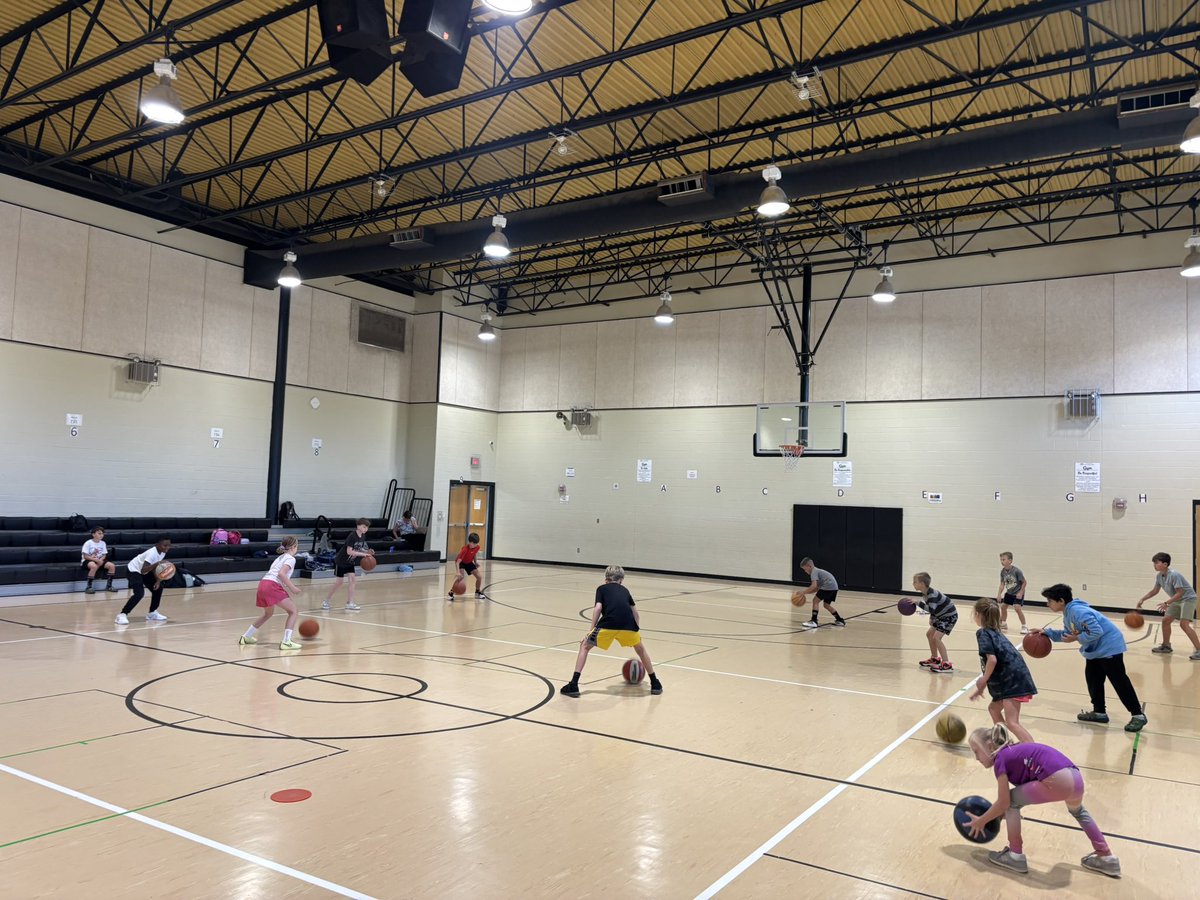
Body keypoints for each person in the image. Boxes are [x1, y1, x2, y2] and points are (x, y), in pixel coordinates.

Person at [963, 723, 1121, 878]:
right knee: (1079, 812)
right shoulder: (1014, 751)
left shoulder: (1001, 759)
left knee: (1011, 801)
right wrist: (1006, 813)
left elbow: (1004, 802)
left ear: (990, 746)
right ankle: (1106, 857)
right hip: (1075, 777)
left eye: (976, 751)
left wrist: (981, 821)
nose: (976, 758)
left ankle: (1015, 855)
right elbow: (1026, 786)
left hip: (1057, 780)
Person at [1035, 584, 1146, 732]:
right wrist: (1047, 632)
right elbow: (1068, 634)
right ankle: (1099, 712)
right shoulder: (1068, 613)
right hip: (1096, 650)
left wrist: (1077, 638)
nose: (1047, 604)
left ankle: (1138, 715)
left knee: (1119, 682)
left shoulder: (1078, 611)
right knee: (1093, 679)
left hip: (1109, 647)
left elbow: (1096, 631)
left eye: (1049, 601)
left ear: (1061, 601)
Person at [560, 565, 662, 697]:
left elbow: (597, 608)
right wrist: (635, 630)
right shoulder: (625, 590)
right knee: (641, 650)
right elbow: (636, 614)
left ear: (606, 579)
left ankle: (573, 685)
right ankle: (655, 682)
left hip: (608, 625)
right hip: (629, 626)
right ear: (621, 580)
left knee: (584, 646)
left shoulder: (601, 589)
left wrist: (590, 631)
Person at [970, 597, 1036, 742]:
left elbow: (992, 660)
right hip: (1014, 679)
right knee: (993, 709)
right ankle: (1002, 743)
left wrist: (983, 680)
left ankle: (1032, 752)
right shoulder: (996, 632)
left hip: (1012, 682)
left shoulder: (983, 633)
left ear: (979, 615)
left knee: (1012, 722)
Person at [240, 536, 303, 650]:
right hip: (272, 585)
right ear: (293, 547)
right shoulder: (290, 558)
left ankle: (246, 636)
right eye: (297, 546)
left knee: (268, 614)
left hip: (263, 583)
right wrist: (293, 588)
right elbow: (281, 574)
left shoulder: (280, 558)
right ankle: (286, 642)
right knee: (293, 611)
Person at [1135, 552, 1200, 659]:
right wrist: (1143, 599)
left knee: (1184, 624)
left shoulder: (1174, 575)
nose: (1154, 565)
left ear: (1165, 564)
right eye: (1154, 563)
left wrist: (1166, 603)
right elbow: (1155, 591)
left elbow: (1180, 593)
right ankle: (1166, 646)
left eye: (1156, 562)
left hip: (1188, 599)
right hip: (1177, 600)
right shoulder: (1159, 576)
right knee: (1166, 620)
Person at [115, 536, 172, 625]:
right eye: (165, 545)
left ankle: (152, 613)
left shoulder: (162, 552)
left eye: (169, 545)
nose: (167, 547)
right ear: (157, 545)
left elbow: (154, 568)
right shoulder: (152, 553)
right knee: (139, 593)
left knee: (158, 588)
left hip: (145, 570)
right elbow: (143, 570)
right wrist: (157, 563)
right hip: (134, 570)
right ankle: (122, 614)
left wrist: (157, 580)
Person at [322, 518, 372, 611]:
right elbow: (349, 551)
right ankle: (326, 601)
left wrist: (366, 551)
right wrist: (363, 554)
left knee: (353, 581)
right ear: (358, 526)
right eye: (364, 527)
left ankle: (350, 603)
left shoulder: (363, 536)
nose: (366, 529)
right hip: (341, 561)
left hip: (350, 562)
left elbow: (357, 548)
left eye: (367, 527)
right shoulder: (352, 536)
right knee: (339, 583)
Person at [914, 571, 957, 673]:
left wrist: (918, 603)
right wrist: (932, 618)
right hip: (941, 616)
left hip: (949, 616)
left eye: (915, 582)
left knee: (936, 638)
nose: (913, 584)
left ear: (922, 584)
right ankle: (935, 658)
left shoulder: (931, 594)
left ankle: (946, 664)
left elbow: (932, 609)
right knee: (929, 634)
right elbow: (934, 609)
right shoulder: (925, 593)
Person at [798, 558, 846, 627]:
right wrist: (805, 593)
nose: (805, 571)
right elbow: (816, 588)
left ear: (809, 566)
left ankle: (814, 621)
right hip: (834, 587)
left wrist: (802, 592)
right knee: (826, 605)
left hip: (828, 586)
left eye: (805, 569)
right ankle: (840, 620)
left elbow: (813, 586)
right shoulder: (818, 572)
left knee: (815, 601)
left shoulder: (814, 572)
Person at [996, 552, 1028, 634]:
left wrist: (1021, 592)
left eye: (1003, 559)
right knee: (1003, 607)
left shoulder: (1017, 571)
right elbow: (1002, 584)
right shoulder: (1003, 572)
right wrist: (999, 594)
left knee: (1017, 608)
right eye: (1001, 560)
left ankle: (1024, 626)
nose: (1001, 561)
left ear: (1010, 560)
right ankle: (1003, 623)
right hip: (1009, 592)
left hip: (1018, 593)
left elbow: (1024, 582)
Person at [449, 532, 486, 600]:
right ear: (470, 542)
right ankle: (451, 593)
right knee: (460, 577)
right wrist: (458, 572)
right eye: (473, 543)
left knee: (479, 577)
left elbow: (474, 553)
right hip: (461, 562)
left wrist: (475, 562)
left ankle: (477, 591)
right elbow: (457, 562)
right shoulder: (465, 549)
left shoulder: (477, 547)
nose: (475, 545)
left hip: (469, 562)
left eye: (476, 543)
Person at [80, 526, 116, 594]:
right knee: (93, 566)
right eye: (99, 533)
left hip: (99, 560)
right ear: (93, 534)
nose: (101, 535)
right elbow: (85, 556)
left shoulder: (103, 543)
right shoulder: (88, 543)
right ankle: (89, 587)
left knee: (112, 566)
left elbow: (104, 555)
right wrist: (96, 560)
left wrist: (101, 560)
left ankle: (109, 586)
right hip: (88, 560)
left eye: (102, 533)